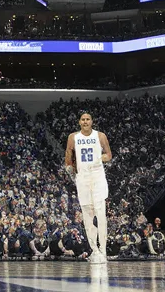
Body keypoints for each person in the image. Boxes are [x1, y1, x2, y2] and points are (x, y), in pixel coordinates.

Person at [65, 112, 112, 264]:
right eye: (83, 119)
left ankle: (103, 250)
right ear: (79, 122)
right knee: (87, 215)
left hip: (97, 177)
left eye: (88, 119)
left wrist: (100, 158)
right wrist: (69, 167)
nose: (85, 121)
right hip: (82, 178)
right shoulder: (73, 137)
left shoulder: (100, 136)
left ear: (92, 121)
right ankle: (94, 250)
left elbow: (109, 155)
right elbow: (68, 154)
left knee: (101, 213)